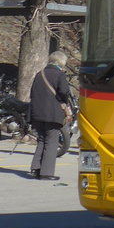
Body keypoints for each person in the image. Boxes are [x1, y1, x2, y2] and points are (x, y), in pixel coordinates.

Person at [29, 50, 72, 181]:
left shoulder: (39, 74)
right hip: (52, 113)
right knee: (52, 141)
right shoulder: (59, 75)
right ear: (61, 62)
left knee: (41, 139)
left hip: (36, 112)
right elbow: (64, 92)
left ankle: (36, 168)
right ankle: (46, 173)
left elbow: (32, 93)